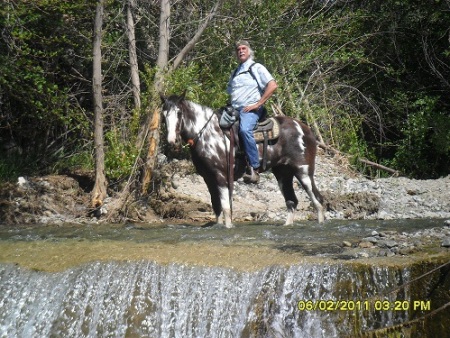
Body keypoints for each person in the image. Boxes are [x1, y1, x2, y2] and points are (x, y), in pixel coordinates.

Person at [227, 40, 278, 184]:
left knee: (244, 130)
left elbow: (272, 85)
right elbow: (231, 92)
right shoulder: (235, 72)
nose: (241, 51)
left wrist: (258, 104)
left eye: (244, 48)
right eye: (238, 50)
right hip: (235, 109)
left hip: (250, 110)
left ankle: (254, 168)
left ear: (249, 51)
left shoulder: (256, 67)